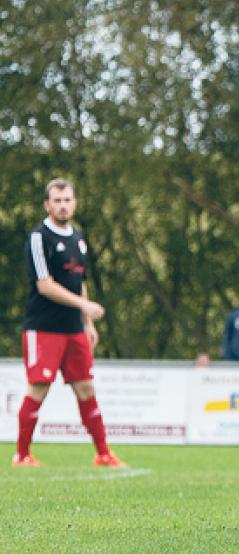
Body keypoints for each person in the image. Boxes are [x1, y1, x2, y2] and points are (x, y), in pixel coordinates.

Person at [13, 178, 125, 468]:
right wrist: (84, 306)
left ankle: (103, 453)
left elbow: (79, 282)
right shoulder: (39, 237)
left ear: (74, 203)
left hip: (74, 329)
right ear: (47, 204)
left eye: (67, 200)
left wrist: (88, 322)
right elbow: (45, 286)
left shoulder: (79, 238)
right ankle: (22, 455)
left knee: (86, 389)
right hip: (43, 327)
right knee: (39, 387)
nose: (63, 206)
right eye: (57, 201)